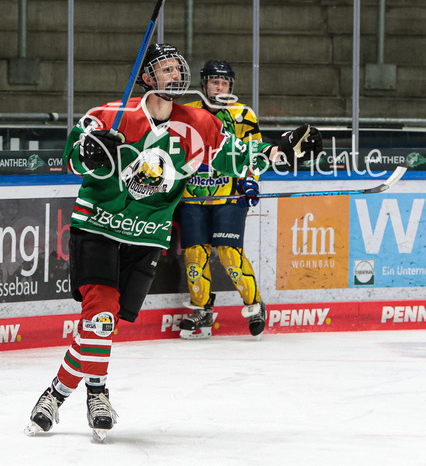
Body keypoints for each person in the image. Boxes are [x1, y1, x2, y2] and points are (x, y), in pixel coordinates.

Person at [24, 44, 322, 441]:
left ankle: (66, 392)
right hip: (98, 227)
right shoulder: (111, 115)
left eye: (177, 68)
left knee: (105, 324)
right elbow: (73, 157)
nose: (174, 74)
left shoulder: (200, 123)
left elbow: (236, 156)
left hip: (146, 236)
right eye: (165, 68)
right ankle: (85, 396)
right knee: (100, 317)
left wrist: (279, 151)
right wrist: (92, 151)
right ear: (147, 77)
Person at [179, 60, 266, 339]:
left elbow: (255, 152)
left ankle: (255, 305)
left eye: (224, 82)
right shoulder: (187, 113)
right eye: (215, 82)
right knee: (194, 255)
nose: (220, 87)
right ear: (204, 84)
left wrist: (250, 179)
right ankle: (202, 309)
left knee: (229, 253)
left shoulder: (243, 115)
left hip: (229, 196)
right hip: (193, 197)